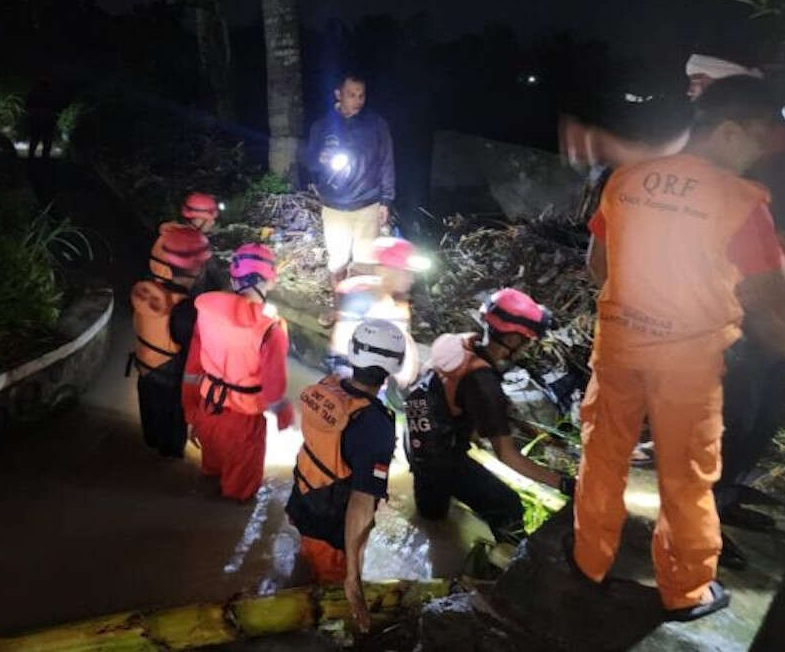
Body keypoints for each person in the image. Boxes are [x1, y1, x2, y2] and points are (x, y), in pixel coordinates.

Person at [574, 76, 785, 622]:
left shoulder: (627, 179)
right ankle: (686, 589)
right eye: (755, 141)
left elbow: (596, 265)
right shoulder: (738, 202)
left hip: (620, 344)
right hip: (687, 362)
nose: (757, 157)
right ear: (727, 132)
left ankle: (590, 559)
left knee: (602, 454)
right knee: (685, 474)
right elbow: (775, 294)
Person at [404, 290, 574, 544]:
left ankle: (434, 543)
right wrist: (563, 483)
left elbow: (448, 395)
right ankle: (509, 570)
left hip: (416, 443)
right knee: (509, 506)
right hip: (443, 461)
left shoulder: (457, 343)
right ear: (514, 339)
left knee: (432, 517)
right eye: (527, 341)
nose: (527, 348)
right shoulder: (483, 384)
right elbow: (507, 456)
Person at [286, 318, 403, 632]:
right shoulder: (375, 426)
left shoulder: (329, 385)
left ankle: (295, 588)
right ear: (396, 366)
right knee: (331, 594)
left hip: (303, 500)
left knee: (306, 563)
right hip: (330, 523)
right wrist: (353, 577)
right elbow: (361, 505)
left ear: (353, 354)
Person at [182, 243, 294, 501]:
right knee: (239, 493)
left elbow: (191, 368)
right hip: (242, 421)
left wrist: (191, 413)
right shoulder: (271, 329)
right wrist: (284, 415)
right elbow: (274, 387)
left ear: (233, 279)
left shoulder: (207, 310)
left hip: (207, 410)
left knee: (211, 473)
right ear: (270, 280)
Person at [304, 73, 396, 322]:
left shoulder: (376, 124)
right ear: (338, 94)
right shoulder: (322, 126)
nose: (358, 100)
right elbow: (309, 161)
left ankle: (361, 314)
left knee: (365, 264)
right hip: (334, 206)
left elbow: (387, 161)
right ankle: (339, 309)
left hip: (368, 203)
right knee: (338, 263)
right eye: (351, 95)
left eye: (361, 95)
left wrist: (387, 199)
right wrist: (319, 158)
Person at [128, 224, 211, 458]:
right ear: (195, 270)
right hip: (171, 388)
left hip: (145, 376)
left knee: (152, 436)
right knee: (172, 448)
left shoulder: (146, 290)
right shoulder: (185, 311)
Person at [328, 236, 427, 397]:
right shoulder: (360, 300)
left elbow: (402, 337)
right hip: (356, 387)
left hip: (379, 385)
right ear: (386, 270)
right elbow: (340, 350)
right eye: (406, 272)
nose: (411, 279)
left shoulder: (398, 302)